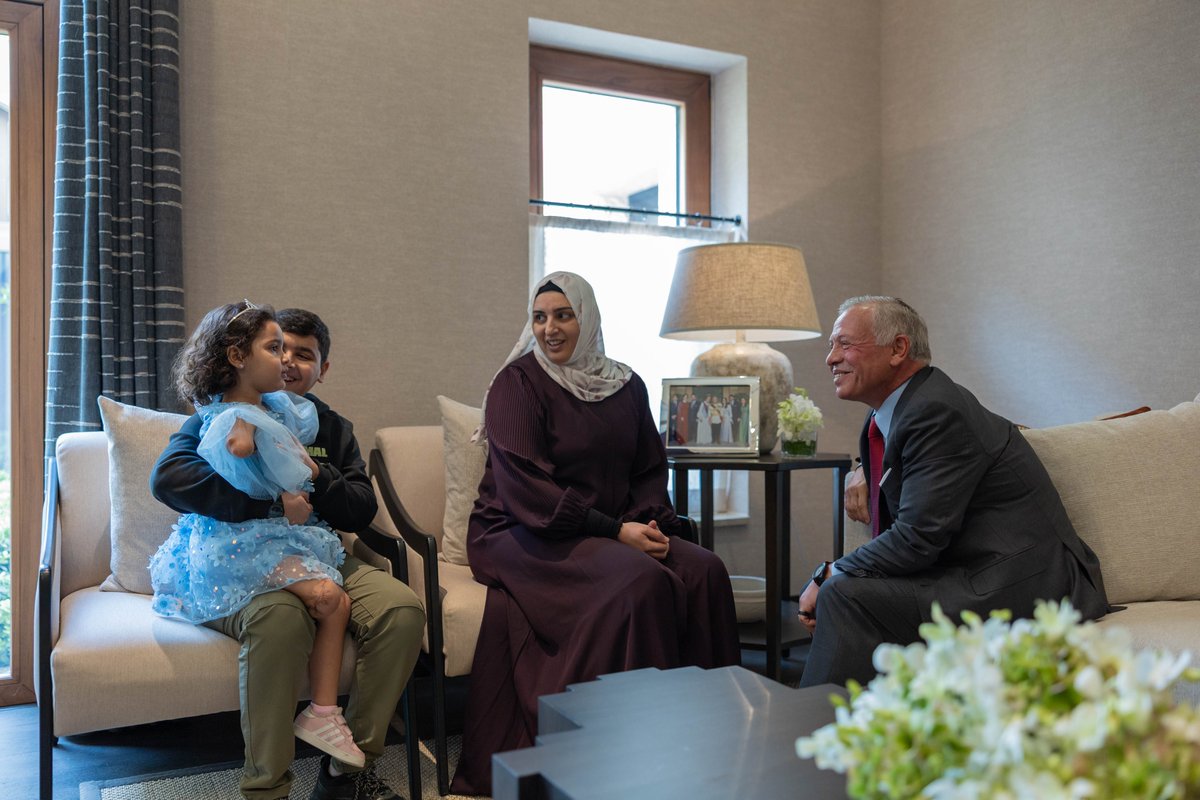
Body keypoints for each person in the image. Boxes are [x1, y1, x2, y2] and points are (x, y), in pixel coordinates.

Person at [450, 272, 741, 796]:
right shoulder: (516, 384)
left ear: (588, 319)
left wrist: (648, 523)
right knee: (638, 583)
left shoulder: (626, 385)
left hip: (613, 529)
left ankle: (708, 744)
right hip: (521, 529)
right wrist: (615, 532)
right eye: (539, 317)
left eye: (563, 315)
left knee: (704, 570)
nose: (550, 329)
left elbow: (648, 470)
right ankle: (622, 758)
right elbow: (527, 488)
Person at [151, 303, 425, 800]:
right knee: (279, 621)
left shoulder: (329, 427)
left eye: (303, 354)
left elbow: (360, 508)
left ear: (323, 369)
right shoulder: (225, 412)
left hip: (323, 548)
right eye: (280, 350)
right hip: (247, 554)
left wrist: (317, 476)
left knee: (402, 609)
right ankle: (267, 788)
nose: (288, 363)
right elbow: (171, 477)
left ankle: (347, 769)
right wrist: (265, 502)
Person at [797, 296, 1108, 688]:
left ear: (898, 349)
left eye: (845, 344)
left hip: (1020, 580)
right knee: (846, 592)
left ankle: (813, 735)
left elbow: (917, 538)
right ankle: (865, 732)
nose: (831, 358)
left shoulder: (936, 410)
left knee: (844, 594)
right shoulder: (893, 412)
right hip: (965, 568)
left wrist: (829, 573)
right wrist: (863, 472)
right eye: (831, 345)